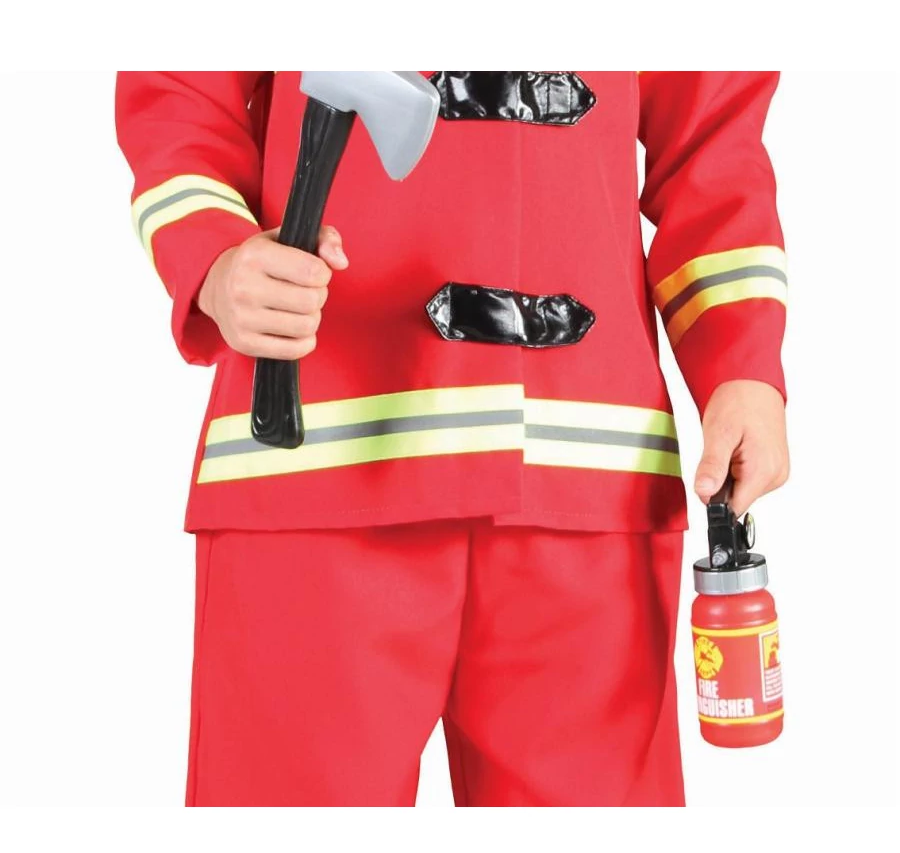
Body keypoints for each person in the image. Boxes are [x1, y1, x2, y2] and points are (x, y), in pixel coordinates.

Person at [115, 71, 789, 807]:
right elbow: (179, 86)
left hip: (582, 487)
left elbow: (711, 136)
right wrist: (214, 257)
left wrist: (742, 364)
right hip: (317, 470)